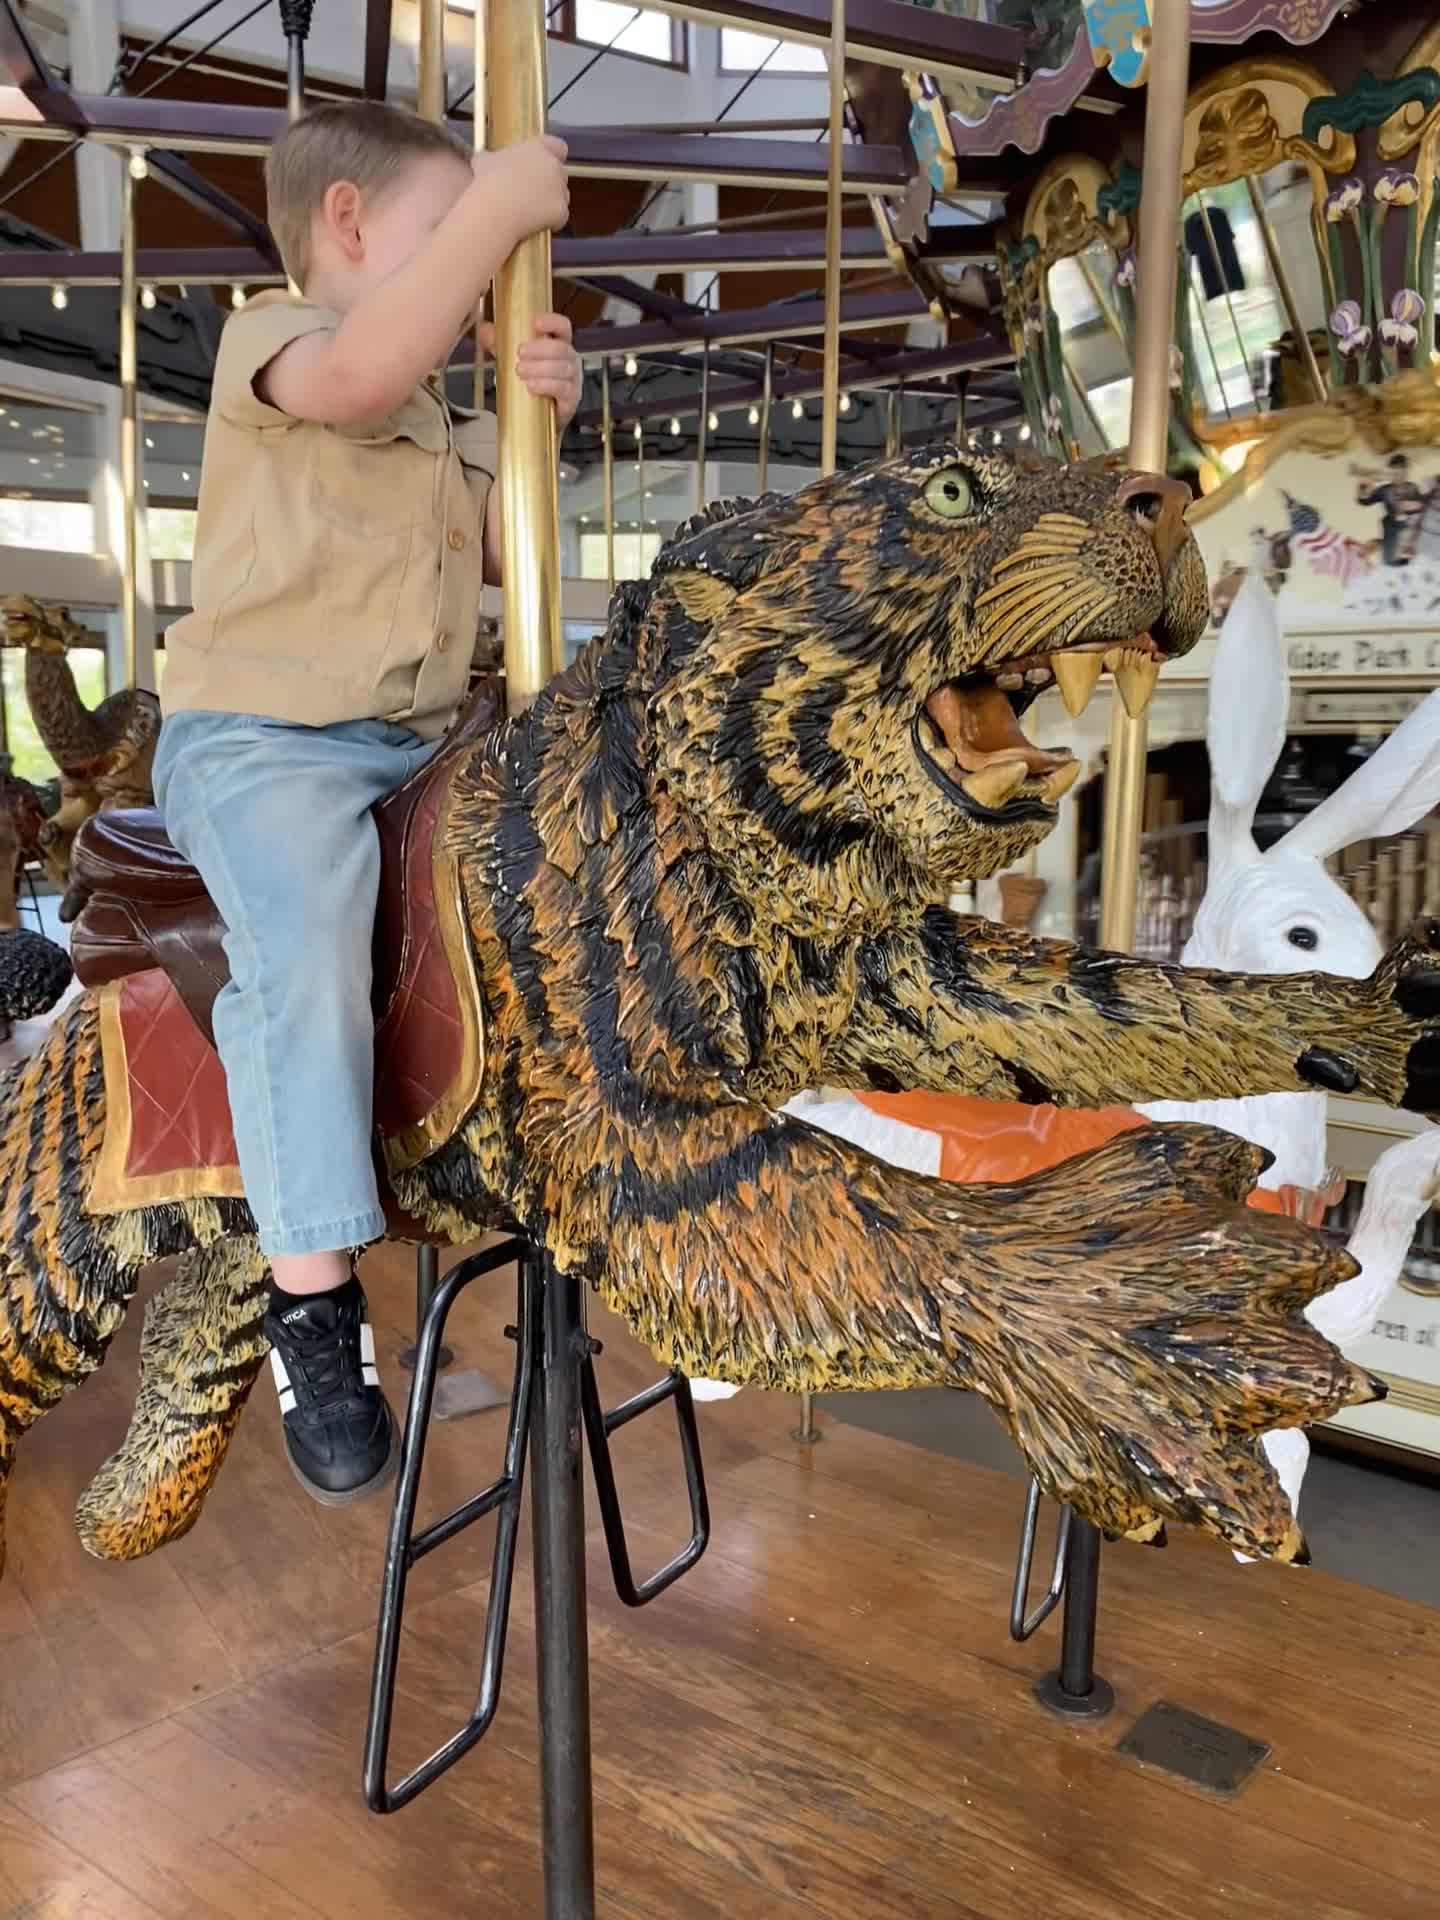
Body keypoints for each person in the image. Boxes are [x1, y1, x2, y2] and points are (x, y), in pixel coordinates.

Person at [154, 102, 581, 1505]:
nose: (469, 284)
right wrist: (498, 211)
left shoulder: (447, 429)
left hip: (420, 738)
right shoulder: (275, 345)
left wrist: (539, 434)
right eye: (436, 234)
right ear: (348, 229)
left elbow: (518, 575)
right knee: (311, 924)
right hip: (265, 741)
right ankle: (313, 1300)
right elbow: (362, 366)